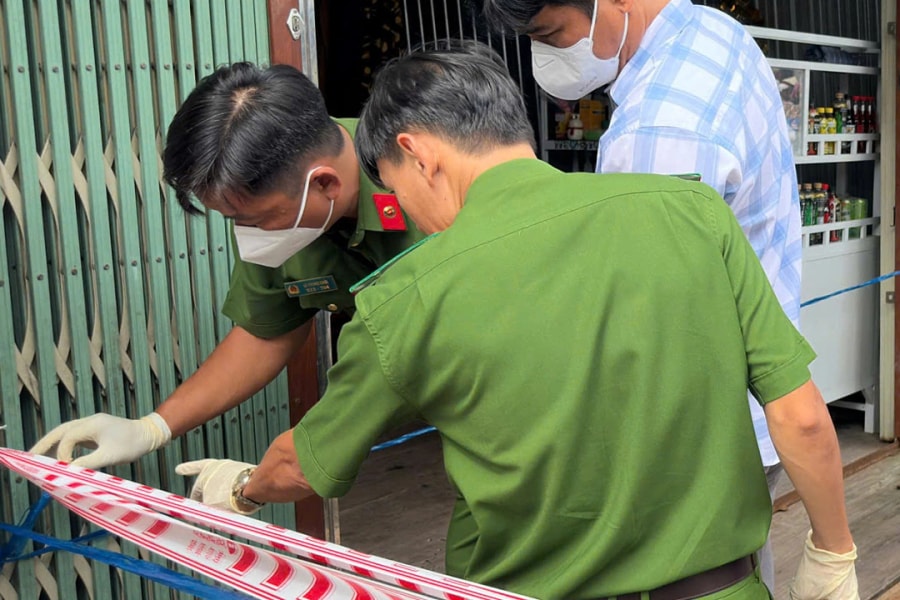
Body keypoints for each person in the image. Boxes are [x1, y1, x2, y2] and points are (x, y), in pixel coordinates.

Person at [177, 43, 856, 600]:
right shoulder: (693, 213)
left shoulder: (407, 296)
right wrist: (833, 556)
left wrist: (241, 489)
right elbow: (798, 418)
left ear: (419, 155)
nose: (403, 210)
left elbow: (305, 466)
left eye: (392, 180)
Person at [480, 0, 802, 590]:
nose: (547, 58)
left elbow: (650, 327)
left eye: (552, 33)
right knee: (744, 570)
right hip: (756, 402)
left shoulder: (657, 135)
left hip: (697, 433)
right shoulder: (712, 30)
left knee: (697, 580)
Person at [29, 62, 426, 469]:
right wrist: (152, 427)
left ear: (324, 184)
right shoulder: (279, 222)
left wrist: (263, 482)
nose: (249, 234)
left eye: (253, 220)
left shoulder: (431, 176)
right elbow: (266, 334)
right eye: (235, 220)